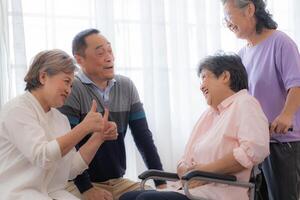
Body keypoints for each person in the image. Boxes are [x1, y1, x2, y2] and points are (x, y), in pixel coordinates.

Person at [119, 53, 270, 200]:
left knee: (146, 198)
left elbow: (253, 150)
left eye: (204, 77)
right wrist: (187, 171)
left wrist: (203, 172)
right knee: (128, 197)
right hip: (191, 188)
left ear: (225, 76)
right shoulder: (209, 114)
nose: (201, 86)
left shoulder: (245, 103)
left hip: (220, 192)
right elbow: (184, 160)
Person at [59, 28, 166, 200]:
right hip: (78, 183)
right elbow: (69, 146)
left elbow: (143, 137)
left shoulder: (126, 86)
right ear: (79, 59)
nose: (109, 57)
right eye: (100, 53)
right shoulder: (72, 88)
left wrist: (161, 183)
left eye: (109, 50)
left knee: (158, 198)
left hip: (117, 182)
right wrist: (87, 189)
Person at [0, 49, 118, 200]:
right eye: (66, 82)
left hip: (52, 194)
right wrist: (83, 128)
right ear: (43, 77)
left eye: (71, 85)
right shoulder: (17, 110)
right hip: (16, 194)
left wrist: (99, 137)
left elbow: (71, 170)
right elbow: (42, 156)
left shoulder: (60, 119)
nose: (69, 90)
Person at [221, 0, 300, 199]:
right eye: (225, 20)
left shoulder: (281, 42)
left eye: (229, 16)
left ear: (249, 9)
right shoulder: (241, 55)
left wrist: (286, 115)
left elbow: (296, 84)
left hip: (282, 142)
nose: (227, 23)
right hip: (255, 145)